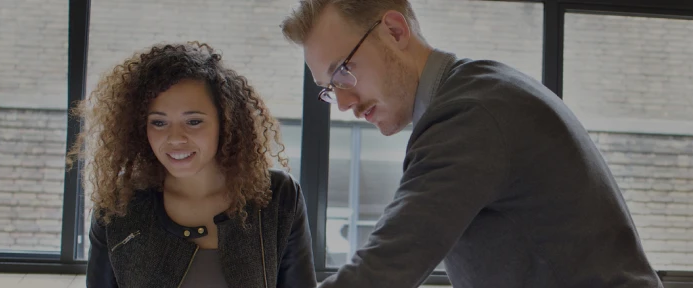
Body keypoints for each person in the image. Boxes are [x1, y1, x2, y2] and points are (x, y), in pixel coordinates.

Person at [280, 1, 665, 287]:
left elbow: (386, 267)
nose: (344, 103)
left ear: (395, 32)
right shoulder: (479, 88)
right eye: (329, 90)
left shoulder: (468, 115)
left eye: (344, 71)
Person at [72, 42, 317, 288]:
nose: (176, 138)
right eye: (158, 123)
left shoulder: (278, 197)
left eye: (194, 121)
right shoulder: (118, 207)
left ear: (225, 122)